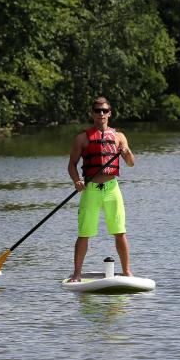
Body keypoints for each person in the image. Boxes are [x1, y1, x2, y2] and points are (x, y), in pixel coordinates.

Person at [68, 97, 135, 282]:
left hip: (112, 189)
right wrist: (76, 181)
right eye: (98, 110)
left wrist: (127, 152)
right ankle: (77, 274)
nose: (101, 114)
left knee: (120, 232)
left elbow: (130, 163)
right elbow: (72, 165)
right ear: (92, 113)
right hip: (91, 190)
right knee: (84, 233)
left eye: (105, 110)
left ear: (110, 113)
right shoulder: (82, 138)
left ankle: (127, 272)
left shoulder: (119, 137)